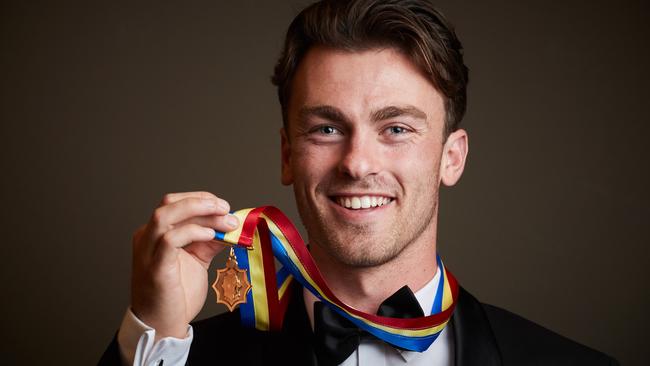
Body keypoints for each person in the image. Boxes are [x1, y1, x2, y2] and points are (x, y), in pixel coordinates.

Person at [100, 0, 619, 365]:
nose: (356, 162)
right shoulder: (182, 356)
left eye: (396, 128)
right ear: (287, 155)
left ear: (451, 157)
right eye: (327, 128)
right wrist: (155, 335)